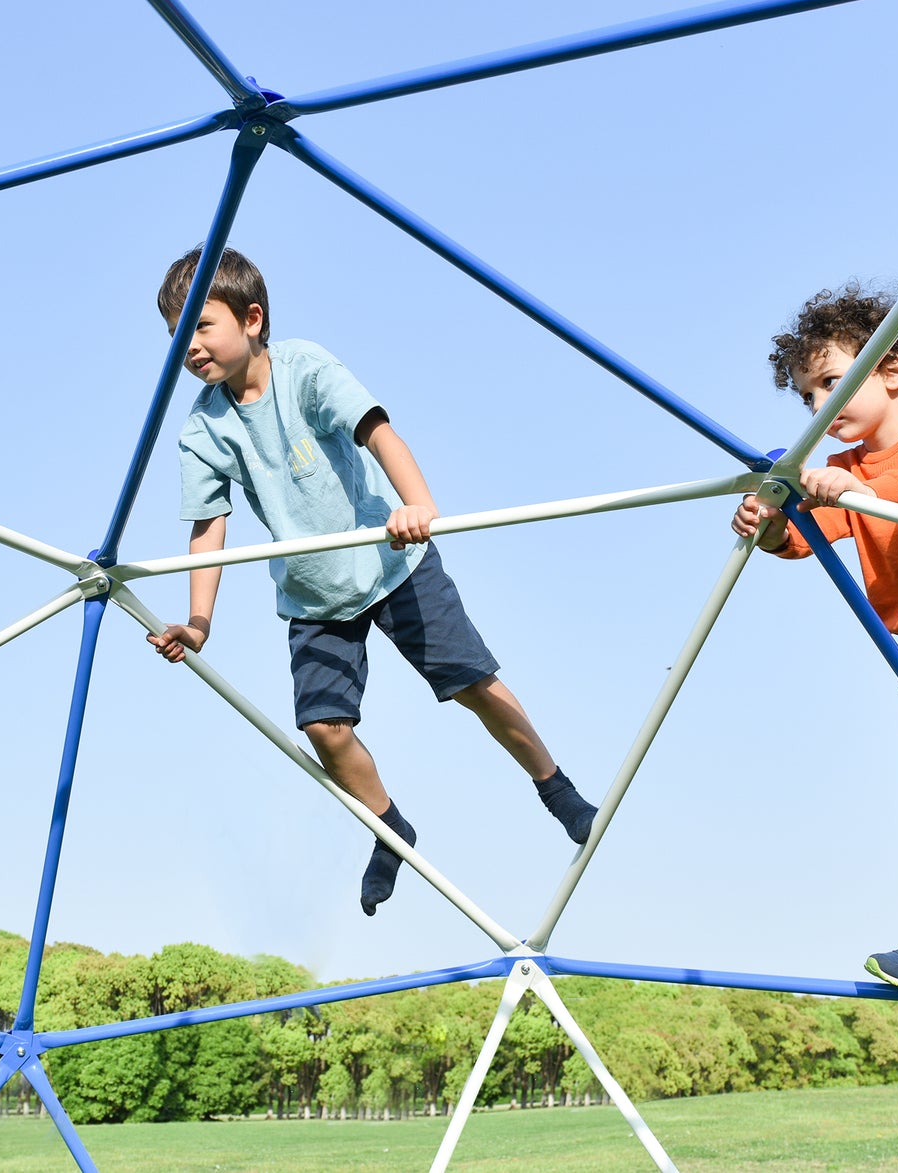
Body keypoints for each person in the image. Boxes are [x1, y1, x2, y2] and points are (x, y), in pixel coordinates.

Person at [147, 246, 597, 916]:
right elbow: (209, 528)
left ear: (252, 318)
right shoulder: (201, 427)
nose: (190, 347)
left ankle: (555, 786)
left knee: (472, 683)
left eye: (201, 327)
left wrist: (417, 503)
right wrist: (199, 620)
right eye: (176, 335)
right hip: (313, 593)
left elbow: (377, 432)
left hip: (391, 559)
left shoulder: (303, 368)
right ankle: (389, 826)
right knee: (324, 727)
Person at [732, 283, 898, 990]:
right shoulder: (844, 475)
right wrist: (764, 521)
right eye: (806, 397)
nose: (817, 407)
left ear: (892, 371)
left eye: (831, 382)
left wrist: (855, 492)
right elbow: (801, 539)